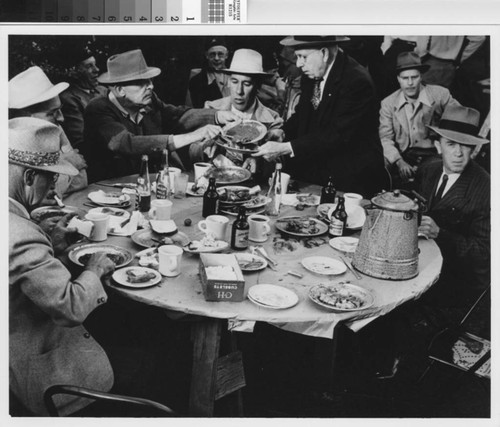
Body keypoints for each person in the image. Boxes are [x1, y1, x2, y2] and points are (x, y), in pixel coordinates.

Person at [9, 117, 115, 415]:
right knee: (145, 357)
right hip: (34, 371)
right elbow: (70, 308)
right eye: (50, 178)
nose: (54, 188)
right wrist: (95, 269)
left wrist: (52, 245)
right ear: (29, 176)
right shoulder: (20, 233)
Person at [253, 36, 386, 197]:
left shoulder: (357, 81)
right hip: (319, 167)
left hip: (352, 178)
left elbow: (337, 134)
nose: (298, 64)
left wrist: (286, 148)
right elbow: (303, 113)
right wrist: (283, 132)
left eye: (303, 57)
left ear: (324, 53)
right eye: (297, 57)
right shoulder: (313, 72)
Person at [83, 49, 237, 182]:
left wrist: (217, 115)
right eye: (142, 82)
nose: (151, 85)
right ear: (119, 90)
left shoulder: (148, 100)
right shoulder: (98, 109)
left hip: (150, 183)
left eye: (149, 80)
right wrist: (194, 135)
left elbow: (176, 115)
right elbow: (126, 143)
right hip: (107, 190)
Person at [416, 104, 490, 312]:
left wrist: (441, 233)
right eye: (451, 144)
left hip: (456, 282)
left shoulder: (486, 187)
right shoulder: (429, 169)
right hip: (421, 263)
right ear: (438, 146)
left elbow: (485, 253)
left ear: (473, 149)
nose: (458, 153)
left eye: (465, 146)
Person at [379, 52, 460, 187]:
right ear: (398, 78)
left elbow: (459, 122)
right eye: (405, 78)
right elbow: (385, 139)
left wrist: (442, 146)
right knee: (379, 168)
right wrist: (399, 161)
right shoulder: (388, 103)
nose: (410, 83)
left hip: (434, 155)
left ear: (421, 76)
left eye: (414, 77)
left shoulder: (440, 95)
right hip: (404, 155)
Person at [9, 66, 88, 197]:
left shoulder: (53, 130)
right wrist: (68, 164)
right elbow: (36, 195)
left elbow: (82, 180)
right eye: (52, 113)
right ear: (25, 117)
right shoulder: (10, 141)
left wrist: (58, 174)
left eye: (60, 109)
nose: (61, 118)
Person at [200, 48, 283, 173]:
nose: (239, 91)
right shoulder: (212, 109)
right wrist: (204, 148)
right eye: (234, 82)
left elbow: (279, 160)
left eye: (247, 84)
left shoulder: (273, 119)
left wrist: (259, 162)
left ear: (258, 86)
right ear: (228, 82)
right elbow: (191, 150)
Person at [60, 42, 107, 151]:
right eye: (89, 66)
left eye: (95, 64)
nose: (97, 70)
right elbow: (81, 140)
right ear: (75, 72)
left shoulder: (103, 90)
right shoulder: (69, 99)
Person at [186, 37, 231, 108]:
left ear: (226, 55)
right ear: (207, 55)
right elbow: (200, 111)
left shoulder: (236, 76)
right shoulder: (196, 82)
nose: (216, 58)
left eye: (220, 54)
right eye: (212, 54)